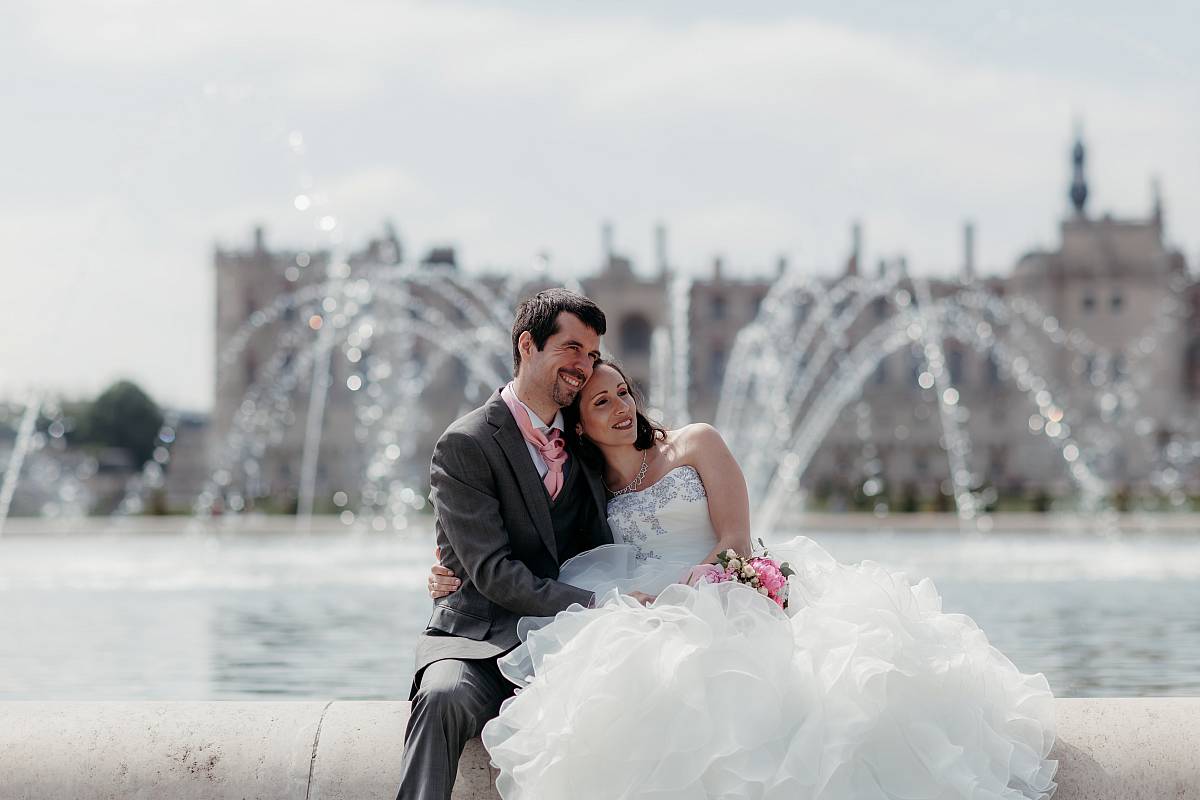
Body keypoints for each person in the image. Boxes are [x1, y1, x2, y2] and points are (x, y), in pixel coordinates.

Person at [427, 359, 1058, 799]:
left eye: (623, 393)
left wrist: (693, 593)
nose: (620, 408)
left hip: (722, 590)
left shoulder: (696, 443)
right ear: (580, 424)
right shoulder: (592, 488)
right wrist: (451, 569)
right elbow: (525, 538)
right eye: (601, 402)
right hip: (642, 603)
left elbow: (735, 538)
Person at [398, 289, 640, 800]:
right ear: (528, 345)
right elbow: (492, 572)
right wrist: (601, 605)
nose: (583, 366)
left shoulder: (586, 436)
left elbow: (654, 469)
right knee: (441, 697)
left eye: (592, 355)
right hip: (480, 643)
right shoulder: (466, 443)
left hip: (569, 644)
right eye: (571, 349)